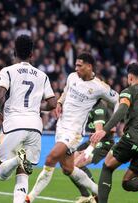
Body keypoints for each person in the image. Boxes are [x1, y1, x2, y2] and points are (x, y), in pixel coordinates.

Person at [26, 52, 119, 203]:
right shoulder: (72, 77)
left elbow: (118, 100)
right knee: (68, 168)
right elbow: (66, 92)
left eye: (79, 66)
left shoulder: (99, 87)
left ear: (89, 67)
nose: (76, 68)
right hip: (61, 126)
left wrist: (112, 123)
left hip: (74, 133)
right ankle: (98, 191)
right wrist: (60, 103)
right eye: (76, 65)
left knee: (51, 158)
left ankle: (29, 198)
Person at [0, 34, 57, 203]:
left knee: (1, 174)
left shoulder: (7, 71)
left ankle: (17, 158)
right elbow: (52, 103)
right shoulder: (42, 75)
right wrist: (37, 107)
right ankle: (21, 160)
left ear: (14, 53)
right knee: (23, 175)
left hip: (14, 123)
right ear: (32, 55)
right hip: (35, 126)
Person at [91, 63, 138, 203]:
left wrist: (104, 130)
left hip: (135, 136)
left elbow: (122, 110)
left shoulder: (130, 91)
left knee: (108, 166)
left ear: (130, 77)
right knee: (127, 182)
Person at [71, 100, 115, 203]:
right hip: (92, 140)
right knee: (68, 165)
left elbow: (100, 133)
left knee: (76, 164)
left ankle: (96, 195)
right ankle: (86, 196)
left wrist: (88, 151)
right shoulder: (87, 105)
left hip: (103, 143)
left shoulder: (99, 108)